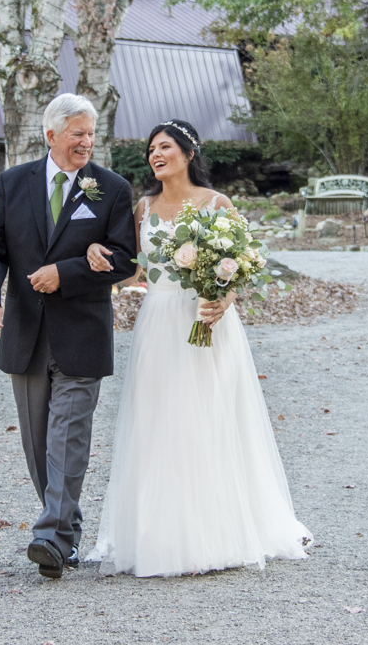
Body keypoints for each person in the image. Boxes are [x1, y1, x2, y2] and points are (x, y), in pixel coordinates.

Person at [83, 118, 312, 577]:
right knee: (157, 421)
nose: (155, 154)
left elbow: (238, 266)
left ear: (188, 153)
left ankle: (214, 531)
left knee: (205, 418)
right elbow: (132, 270)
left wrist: (222, 299)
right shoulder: (143, 208)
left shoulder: (216, 203)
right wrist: (94, 251)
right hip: (158, 323)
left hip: (206, 322)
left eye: (165, 146)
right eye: (151, 149)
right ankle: (159, 533)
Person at [0, 93, 137, 579]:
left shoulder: (112, 189)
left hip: (82, 333)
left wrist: (66, 272)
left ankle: (48, 535)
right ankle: (65, 533)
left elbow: (125, 260)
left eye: (91, 134)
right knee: (39, 443)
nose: (87, 142)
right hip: (25, 333)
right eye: (78, 134)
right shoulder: (11, 183)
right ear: (51, 135)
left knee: (67, 435)